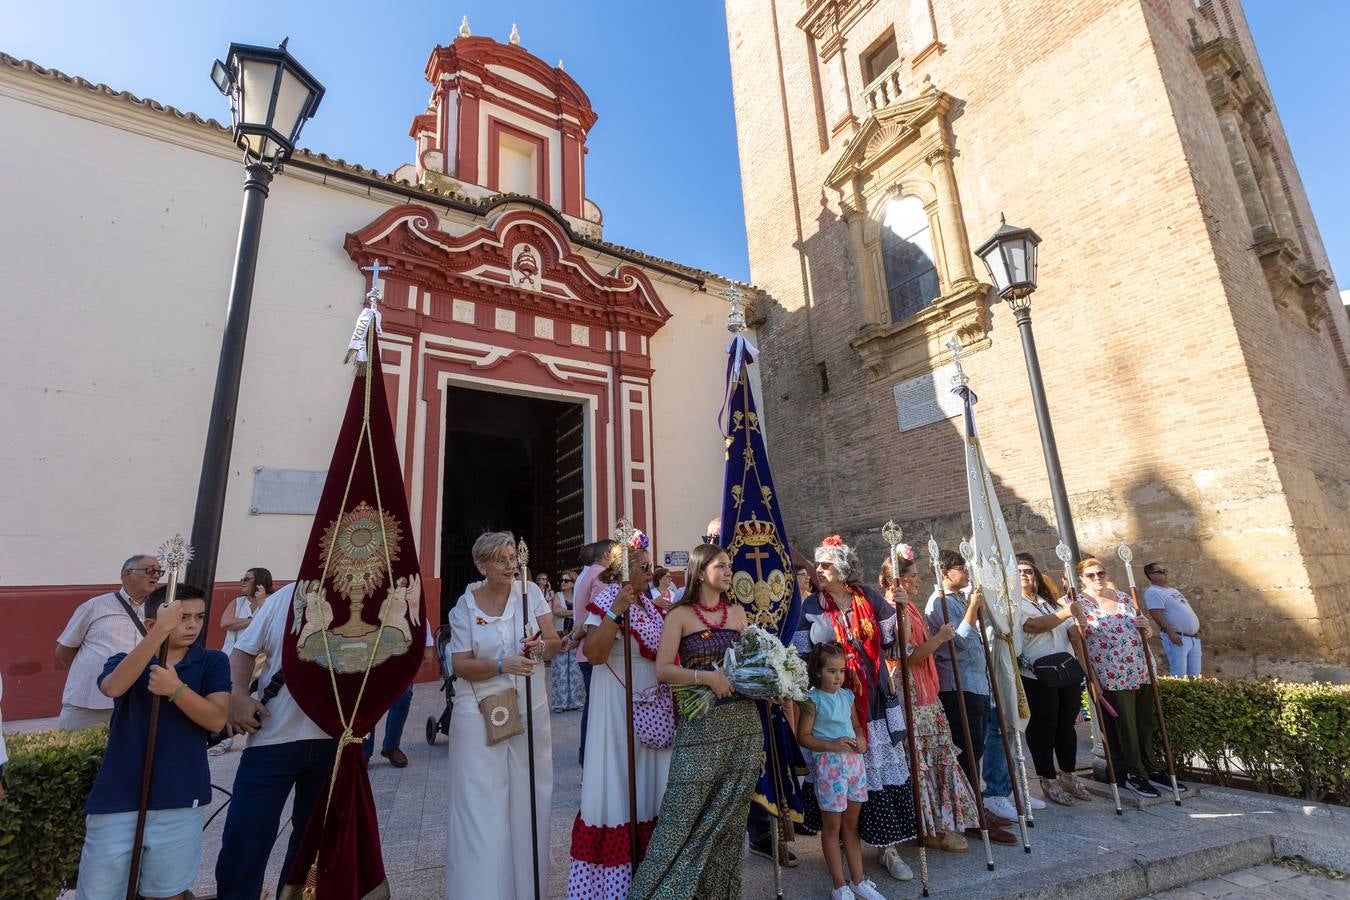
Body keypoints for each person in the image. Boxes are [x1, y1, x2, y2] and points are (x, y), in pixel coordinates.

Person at [76, 584, 230, 900]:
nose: (193, 625)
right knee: (99, 892)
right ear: (151, 623)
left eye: (199, 617)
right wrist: (159, 634)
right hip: (118, 796)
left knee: (167, 891)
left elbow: (216, 719)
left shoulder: (213, 662)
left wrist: (176, 689)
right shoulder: (125, 660)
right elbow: (113, 687)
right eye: (182, 618)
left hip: (180, 794)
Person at [629, 544, 761, 900]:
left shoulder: (738, 613)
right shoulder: (680, 615)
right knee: (681, 815)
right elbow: (663, 670)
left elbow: (750, 664)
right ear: (701, 572)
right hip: (700, 725)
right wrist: (707, 678)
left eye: (729, 565)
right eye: (721, 566)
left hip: (743, 724)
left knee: (730, 818)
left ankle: (716, 893)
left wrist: (769, 682)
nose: (729, 571)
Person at [792, 535, 915, 882]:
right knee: (843, 776)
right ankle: (846, 848)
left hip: (873, 699)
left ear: (843, 569)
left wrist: (903, 610)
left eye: (825, 565)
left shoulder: (869, 598)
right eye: (817, 564)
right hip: (835, 706)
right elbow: (801, 658)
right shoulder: (811, 606)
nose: (818, 570)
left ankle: (888, 848)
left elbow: (895, 644)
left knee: (877, 771)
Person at [446, 531, 561, 899]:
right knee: (483, 804)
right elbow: (461, 665)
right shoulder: (465, 607)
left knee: (530, 796)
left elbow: (553, 642)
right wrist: (502, 664)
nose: (511, 566)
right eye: (501, 560)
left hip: (529, 707)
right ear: (481, 566)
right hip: (479, 711)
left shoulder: (531, 593)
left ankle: (527, 888)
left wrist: (540, 649)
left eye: (513, 558)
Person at [215, 582, 337, 900]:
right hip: (273, 736)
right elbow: (244, 649)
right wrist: (237, 693)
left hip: (334, 741)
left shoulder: (373, 598)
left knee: (314, 841)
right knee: (246, 835)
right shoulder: (286, 596)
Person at [567, 536, 671, 898]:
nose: (650, 573)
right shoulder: (608, 599)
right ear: (623, 569)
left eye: (650, 567)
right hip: (617, 704)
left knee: (648, 783)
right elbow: (595, 653)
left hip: (650, 706)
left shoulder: (648, 604)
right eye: (644, 567)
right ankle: (615, 883)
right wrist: (615, 611)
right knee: (620, 781)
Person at [884, 554, 979, 854]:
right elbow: (906, 656)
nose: (918, 580)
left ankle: (939, 823)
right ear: (896, 580)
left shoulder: (910, 606)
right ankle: (926, 829)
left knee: (935, 755)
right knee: (919, 760)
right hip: (910, 693)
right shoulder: (892, 608)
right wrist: (939, 638)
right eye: (912, 575)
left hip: (925, 692)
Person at [925, 550, 1016, 845]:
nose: (966, 572)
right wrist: (972, 610)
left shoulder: (960, 599)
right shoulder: (939, 601)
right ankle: (971, 814)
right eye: (961, 568)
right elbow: (959, 643)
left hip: (977, 684)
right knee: (966, 752)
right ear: (944, 572)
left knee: (975, 750)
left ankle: (975, 806)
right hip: (958, 686)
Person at [1075, 558, 1185, 799]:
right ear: (1082, 578)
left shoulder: (1124, 597)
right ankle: (1134, 773)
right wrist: (1091, 679)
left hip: (1141, 667)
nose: (1097, 578)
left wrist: (1147, 627)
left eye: (1101, 573)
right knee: (1126, 726)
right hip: (1112, 673)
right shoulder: (1079, 604)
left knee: (1145, 722)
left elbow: (1146, 630)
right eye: (1091, 575)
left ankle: (1152, 768)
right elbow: (1078, 644)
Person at [797, 643, 887, 900]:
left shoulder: (847, 696)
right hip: (830, 769)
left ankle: (859, 881)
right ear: (817, 672)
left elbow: (856, 726)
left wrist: (861, 739)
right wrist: (831, 744)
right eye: (831, 671)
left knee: (851, 825)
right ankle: (839, 884)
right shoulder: (812, 700)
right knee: (832, 827)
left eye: (841, 671)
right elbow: (803, 736)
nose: (838, 677)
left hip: (853, 765)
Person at [55, 554, 163, 731]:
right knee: (72, 746)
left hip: (136, 701)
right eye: (150, 570)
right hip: (89, 701)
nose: (156, 576)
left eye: (159, 572)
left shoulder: (160, 611)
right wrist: (91, 670)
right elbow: (64, 650)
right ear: (127, 574)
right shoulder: (95, 606)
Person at [1015, 558, 1091, 806]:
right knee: (1043, 726)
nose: (1024, 575)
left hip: (1065, 670)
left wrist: (1080, 623)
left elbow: (1070, 632)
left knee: (1066, 725)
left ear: (1036, 576)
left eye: (1028, 571)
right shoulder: (1014, 605)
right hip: (1037, 674)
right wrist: (1067, 612)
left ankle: (1068, 774)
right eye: (1019, 572)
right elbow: (1034, 626)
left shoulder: (1051, 603)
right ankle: (1047, 778)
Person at [210, 567, 273, 756]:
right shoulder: (237, 602)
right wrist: (255, 620)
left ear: (260, 581)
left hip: (261, 661)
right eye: (242, 578)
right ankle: (224, 739)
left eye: (247, 579)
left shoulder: (271, 602)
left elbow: (271, 627)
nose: (242, 582)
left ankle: (255, 740)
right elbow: (226, 623)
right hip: (232, 657)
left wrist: (261, 606)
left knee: (259, 700)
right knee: (228, 697)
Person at [573, 539, 617, 765]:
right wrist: (574, 637)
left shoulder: (589, 573)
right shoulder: (601, 576)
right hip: (593, 651)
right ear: (608, 554)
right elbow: (596, 617)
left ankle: (588, 757)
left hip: (585, 650)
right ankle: (589, 759)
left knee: (592, 707)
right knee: (595, 709)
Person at [1143, 562, 1203, 678]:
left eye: (1165, 570)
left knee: (1195, 675)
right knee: (1179, 674)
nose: (1165, 573)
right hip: (1177, 637)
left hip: (1193, 638)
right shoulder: (1153, 592)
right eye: (1161, 571)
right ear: (1151, 575)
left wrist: (1195, 628)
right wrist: (1170, 632)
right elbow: (1155, 613)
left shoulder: (1173, 590)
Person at [550, 568, 586, 712]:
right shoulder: (557, 595)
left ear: (573, 582)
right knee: (560, 671)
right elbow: (557, 611)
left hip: (576, 636)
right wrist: (575, 613)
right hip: (560, 636)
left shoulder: (579, 595)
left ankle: (577, 702)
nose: (563, 583)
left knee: (576, 671)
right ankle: (560, 703)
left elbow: (584, 612)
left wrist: (569, 614)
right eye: (561, 580)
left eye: (566, 580)